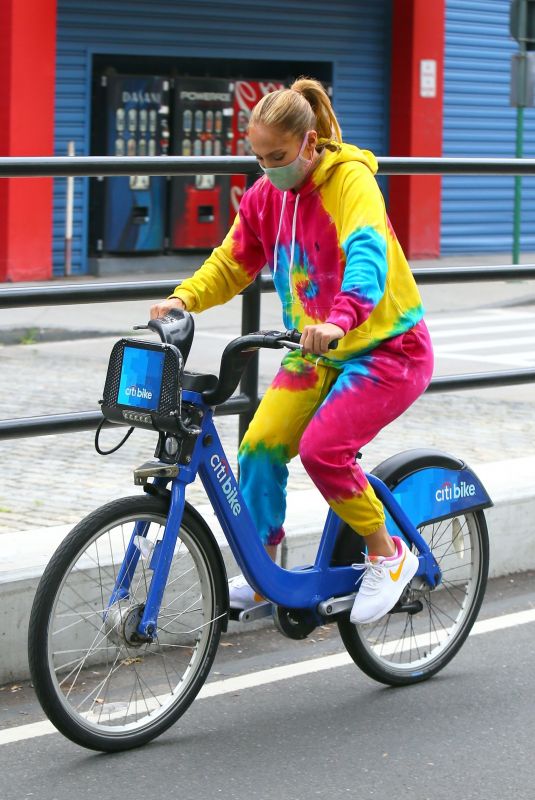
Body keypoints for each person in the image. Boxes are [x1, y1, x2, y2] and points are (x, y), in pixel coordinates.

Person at [150, 77, 434, 625]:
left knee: (323, 450)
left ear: (309, 143)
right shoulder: (267, 196)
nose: (269, 168)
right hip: (312, 351)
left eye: (277, 156)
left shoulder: (350, 182)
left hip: (387, 349)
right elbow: (232, 261)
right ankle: (263, 575)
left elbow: (367, 255)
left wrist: (339, 318)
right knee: (258, 446)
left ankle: (387, 552)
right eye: (258, 158)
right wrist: (182, 299)